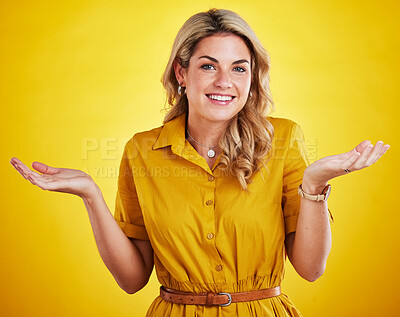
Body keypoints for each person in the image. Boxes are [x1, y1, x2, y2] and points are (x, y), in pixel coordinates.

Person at [10, 8, 389, 317]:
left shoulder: (284, 140)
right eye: (209, 66)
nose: (225, 81)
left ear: (252, 78)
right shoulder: (142, 152)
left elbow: (310, 269)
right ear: (182, 73)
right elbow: (131, 279)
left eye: (239, 68)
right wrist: (90, 194)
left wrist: (315, 186)